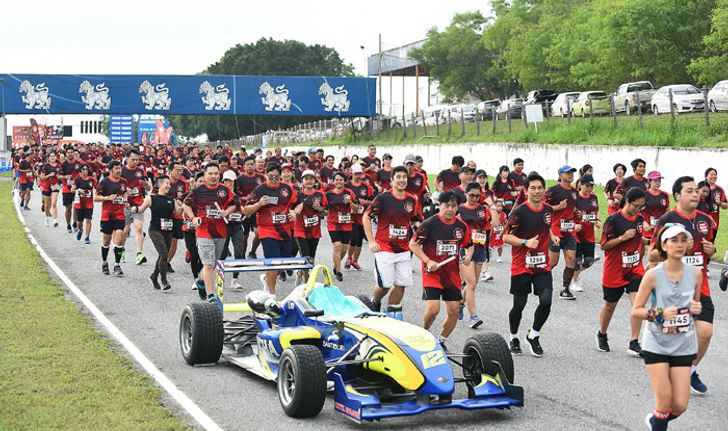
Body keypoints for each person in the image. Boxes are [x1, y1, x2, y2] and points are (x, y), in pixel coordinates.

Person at [649, 176, 716, 395]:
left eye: (696, 190)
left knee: (705, 333)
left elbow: (710, 251)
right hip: (673, 289)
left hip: (699, 288)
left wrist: (711, 251)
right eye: (689, 191)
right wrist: (677, 250)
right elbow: (651, 254)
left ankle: (691, 370)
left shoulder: (706, 220)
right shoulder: (667, 221)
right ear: (677, 195)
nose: (695, 194)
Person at [632, 225, 701, 431]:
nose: (679, 245)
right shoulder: (652, 275)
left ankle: (656, 421)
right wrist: (659, 314)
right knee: (663, 403)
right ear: (664, 245)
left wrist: (696, 308)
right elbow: (636, 310)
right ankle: (659, 421)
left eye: (683, 240)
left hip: (684, 344)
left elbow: (694, 308)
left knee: (680, 405)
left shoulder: (696, 274)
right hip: (657, 345)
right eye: (674, 240)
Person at [503, 173, 558, 357]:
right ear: (526, 191)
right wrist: (526, 242)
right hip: (521, 265)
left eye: (540, 188)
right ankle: (513, 337)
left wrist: (552, 236)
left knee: (546, 300)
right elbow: (506, 237)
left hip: (542, 264)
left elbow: (547, 227)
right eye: (533, 188)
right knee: (519, 304)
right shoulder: (519, 212)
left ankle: (533, 335)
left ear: (544, 190)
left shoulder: (548, 209)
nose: (537, 191)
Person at [411, 191, 474, 350]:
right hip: (432, 273)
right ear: (440, 205)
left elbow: (469, 245)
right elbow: (413, 245)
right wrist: (428, 261)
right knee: (433, 309)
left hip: (452, 276)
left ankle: (441, 341)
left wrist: (468, 255)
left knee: (453, 311)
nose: (450, 209)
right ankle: (423, 334)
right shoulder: (430, 224)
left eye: (454, 206)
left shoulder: (461, 226)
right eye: (447, 205)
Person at [364, 166, 422, 311]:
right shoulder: (383, 198)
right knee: (385, 285)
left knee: (401, 284)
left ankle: (390, 312)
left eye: (404, 177)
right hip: (384, 247)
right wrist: (371, 241)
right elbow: (366, 217)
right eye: (398, 177)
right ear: (391, 180)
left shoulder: (411, 200)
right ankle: (375, 302)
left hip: (403, 249)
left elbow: (415, 220)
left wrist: (421, 235)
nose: (402, 180)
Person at [597, 187, 647, 355]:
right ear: (627, 201)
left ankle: (634, 342)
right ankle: (602, 334)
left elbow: (639, 239)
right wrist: (622, 238)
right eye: (636, 205)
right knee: (610, 306)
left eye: (641, 206)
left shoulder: (639, 219)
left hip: (634, 268)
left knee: (637, 304)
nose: (638, 210)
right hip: (615, 269)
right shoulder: (613, 220)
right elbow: (604, 244)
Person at [183, 163, 236, 310]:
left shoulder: (224, 190)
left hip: (221, 232)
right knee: (208, 263)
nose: (213, 176)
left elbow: (234, 203)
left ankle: (200, 281)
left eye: (216, 173)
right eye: (210, 173)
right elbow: (185, 205)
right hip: (203, 232)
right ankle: (211, 295)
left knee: (214, 263)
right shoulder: (198, 191)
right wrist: (193, 218)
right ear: (205, 175)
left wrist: (227, 212)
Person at [244, 163, 298, 294]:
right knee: (273, 261)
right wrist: (259, 203)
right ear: (266, 175)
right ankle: (271, 294)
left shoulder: (287, 188)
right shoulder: (260, 190)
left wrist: (294, 212)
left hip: (284, 230)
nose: (274, 179)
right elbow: (246, 211)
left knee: (284, 262)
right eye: (271, 176)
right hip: (267, 230)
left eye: (276, 176)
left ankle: (267, 278)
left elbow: (296, 204)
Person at [133, 175, 183, 291]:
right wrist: (135, 209)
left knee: (162, 255)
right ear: (160, 184)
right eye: (167, 183)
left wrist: (184, 205)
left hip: (168, 231)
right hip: (155, 230)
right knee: (164, 254)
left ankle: (154, 276)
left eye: (169, 184)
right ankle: (164, 280)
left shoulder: (171, 199)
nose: (169, 186)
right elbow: (141, 209)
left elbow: (179, 213)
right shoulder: (151, 198)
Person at [457, 182, 492, 328]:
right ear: (466, 194)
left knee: (473, 284)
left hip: (479, 248)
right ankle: (473, 317)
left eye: (478, 196)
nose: (475, 198)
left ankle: (460, 303)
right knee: (470, 283)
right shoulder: (459, 210)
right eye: (472, 195)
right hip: (465, 248)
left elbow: (487, 229)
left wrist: (486, 249)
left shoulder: (483, 210)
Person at [545, 165, 579, 300]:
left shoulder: (574, 192)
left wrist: (577, 218)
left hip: (569, 231)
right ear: (560, 174)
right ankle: (540, 281)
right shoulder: (553, 190)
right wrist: (557, 207)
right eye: (568, 173)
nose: (571, 175)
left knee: (571, 259)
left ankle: (565, 289)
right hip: (555, 230)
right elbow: (542, 207)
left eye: (572, 173)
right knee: (553, 262)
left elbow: (574, 209)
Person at [293, 170, 327, 285]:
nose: (309, 181)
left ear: (315, 180)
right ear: (302, 181)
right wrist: (296, 211)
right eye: (306, 179)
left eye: (311, 179)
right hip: (300, 230)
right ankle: (307, 284)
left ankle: (299, 272)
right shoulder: (298, 195)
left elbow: (327, 213)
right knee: (306, 257)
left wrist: (320, 209)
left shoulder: (320, 195)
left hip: (314, 231)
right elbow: (292, 211)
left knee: (311, 258)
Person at [94, 160, 128, 277]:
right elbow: (96, 197)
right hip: (107, 215)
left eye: (120, 168)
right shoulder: (104, 182)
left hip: (119, 214)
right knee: (106, 241)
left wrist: (125, 200)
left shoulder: (123, 182)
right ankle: (104, 262)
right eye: (116, 168)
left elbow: (124, 193)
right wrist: (108, 198)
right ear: (111, 170)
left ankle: (117, 265)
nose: (119, 170)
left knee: (119, 240)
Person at [325, 172, 358, 281]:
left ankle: (336, 265)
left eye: (341, 180)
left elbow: (356, 209)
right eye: (336, 180)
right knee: (337, 245)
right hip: (333, 223)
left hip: (346, 224)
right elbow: (324, 209)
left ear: (345, 181)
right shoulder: (328, 194)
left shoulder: (349, 193)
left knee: (344, 248)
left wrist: (350, 202)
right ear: (333, 181)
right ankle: (338, 272)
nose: (338, 182)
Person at [121, 148, 151, 265]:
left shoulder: (141, 171)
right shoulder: (121, 171)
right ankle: (121, 250)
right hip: (125, 203)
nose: (135, 162)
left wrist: (145, 184)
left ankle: (139, 254)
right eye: (133, 159)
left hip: (138, 203)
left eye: (137, 160)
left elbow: (149, 188)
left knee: (138, 228)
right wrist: (125, 191)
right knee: (125, 230)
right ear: (127, 158)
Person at [571, 174, 600, 292]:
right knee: (577, 261)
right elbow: (568, 215)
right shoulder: (575, 198)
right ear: (580, 185)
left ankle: (574, 275)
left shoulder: (594, 198)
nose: (589, 188)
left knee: (589, 261)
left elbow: (596, 211)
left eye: (591, 186)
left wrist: (598, 220)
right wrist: (574, 225)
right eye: (587, 186)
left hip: (589, 234)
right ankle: (573, 281)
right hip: (576, 234)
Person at [345, 164, 374, 271]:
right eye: (356, 173)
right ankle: (348, 257)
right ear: (351, 173)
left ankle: (355, 260)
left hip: (363, 217)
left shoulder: (366, 186)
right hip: (350, 217)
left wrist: (365, 202)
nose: (358, 175)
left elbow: (373, 201)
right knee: (354, 238)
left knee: (359, 241)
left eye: (359, 173)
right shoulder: (347, 186)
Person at [221, 170, 246, 290]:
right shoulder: (220, 193)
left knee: (239, 252)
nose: (228, 183)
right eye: (226, 180)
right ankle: (218, 277)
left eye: (230, 180)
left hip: (237, 225)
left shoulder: (239, 194)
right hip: (224, 226)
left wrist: (244, 211)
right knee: (223, 253)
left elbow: (244, 208)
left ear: (234, 181)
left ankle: (235, 280)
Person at [183, 173, 205, 292]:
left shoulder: (210, 196)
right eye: (200, 181)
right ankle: (196, 279)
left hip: (204, 230)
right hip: (189, 229)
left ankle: (201, 275)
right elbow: (179, 206)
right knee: (194, 254)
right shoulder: (188, 195)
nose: (202, 184)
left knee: (203, 256)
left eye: (204, 181)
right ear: (195, 182)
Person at [166, 161, 189, 273]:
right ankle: (162, 260)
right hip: (164, 214)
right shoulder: (163, 181)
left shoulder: (183, 183)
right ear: (170, 170)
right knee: (164, 240)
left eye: (181, 170)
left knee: (174, 240)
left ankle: (167, 262)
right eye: (177, 170)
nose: (180, 172)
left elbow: (186, 198)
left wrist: (180, 201)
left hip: (177, 215)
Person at [59, 148, 85, 233]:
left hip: (77, 188)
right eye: (68, 153)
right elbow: (58, 176)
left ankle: (74, 223)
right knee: (68, 208)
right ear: (66, 154)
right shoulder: (63, 164)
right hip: (67, 189)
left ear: (74, 153)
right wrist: (64, 177)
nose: (70, 154)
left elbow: (85, 172)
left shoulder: (79, 163)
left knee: (76, 207)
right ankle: (68, 225)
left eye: (71, 152)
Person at [642, 171, 671, 246]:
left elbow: (668, 212)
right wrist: (643, 223)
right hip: (647, 229)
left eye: (659, 181)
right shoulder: (644, 195)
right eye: (655, 181)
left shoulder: (665, 195)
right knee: (650, 254)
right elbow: (637, 212)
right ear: (649, 182)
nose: (658, 183)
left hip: (660, 228)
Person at [72, 164, 96, 244]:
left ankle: (87, 237)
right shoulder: (77, 179)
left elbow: (98, 188)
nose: (85, 171)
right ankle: (80, 230)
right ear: (81, 171)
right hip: (80, 204)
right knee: (79, 222)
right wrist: (79, 190)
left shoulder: (91, 180)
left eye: (86, 169)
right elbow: (72, 189)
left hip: (89, 204)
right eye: (84, 169)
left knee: (88, 220)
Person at [40, 152, 61, 227]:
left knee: (54, 203)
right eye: (51, 156)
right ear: (48, 158)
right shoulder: (45, 166)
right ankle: (46, 218)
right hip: (46, 186)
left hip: (55, 186)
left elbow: (60, 176)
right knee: (47, 206)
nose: (52, 158)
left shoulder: (59, 166)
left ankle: (55, 220)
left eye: (54, 156)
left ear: (56, 157)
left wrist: (59, 177)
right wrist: (49, 175)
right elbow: (42, 178)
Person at [705, 168, 727, 240]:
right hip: (702, 221)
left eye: (715, 175)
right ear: (706, 177)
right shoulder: (701, 188)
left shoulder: (719, 190)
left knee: (711, 243)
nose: (713, 176)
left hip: (714, 223)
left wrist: (719, 203)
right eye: (711, 174)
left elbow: (726, 206)